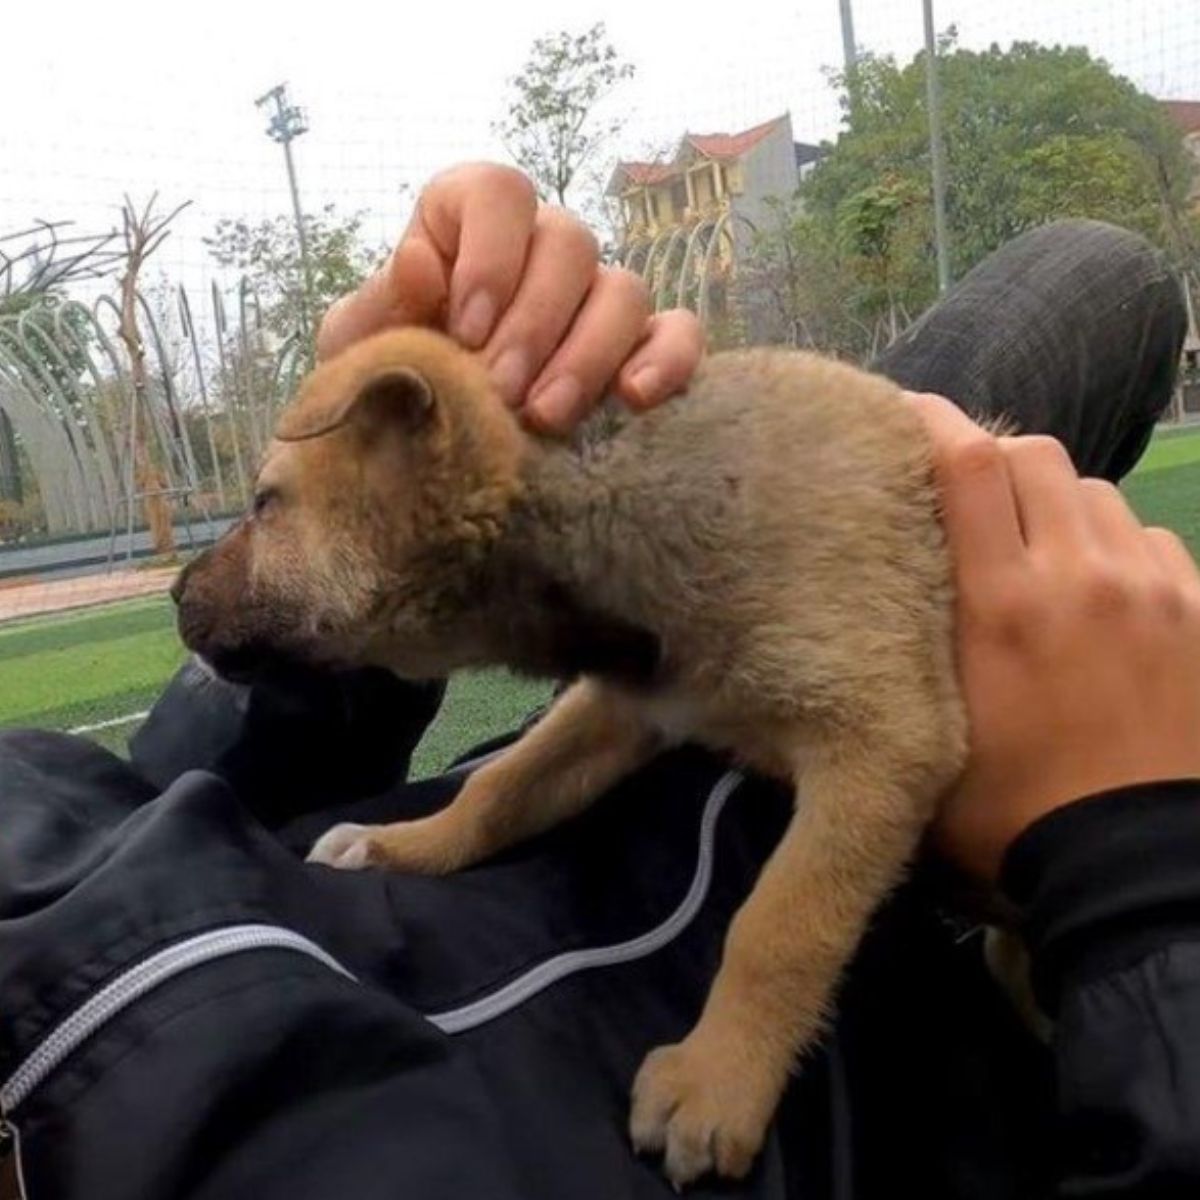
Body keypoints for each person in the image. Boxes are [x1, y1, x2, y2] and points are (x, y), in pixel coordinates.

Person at [0, 163, 1196, 1200]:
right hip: (925, 914)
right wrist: (1142, 880)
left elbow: (608, 681)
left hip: (733, 589)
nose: (224, 558)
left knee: (1100, 275)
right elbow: (892, 746)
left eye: (264, 511)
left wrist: (400, 741)